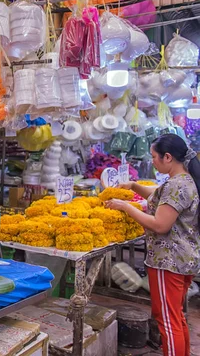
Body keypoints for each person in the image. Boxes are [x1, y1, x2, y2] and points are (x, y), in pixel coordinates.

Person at [106, 134, 200, 356]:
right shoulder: (184, 180)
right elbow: (161, 198)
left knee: (167, 321)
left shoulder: (177, 185)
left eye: (154, 156)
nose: (153, 161)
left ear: (168, 157)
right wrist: (134, 186)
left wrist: (126, 207)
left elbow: (160, 225)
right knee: (175, 317)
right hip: (182, 260)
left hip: (169, 261)